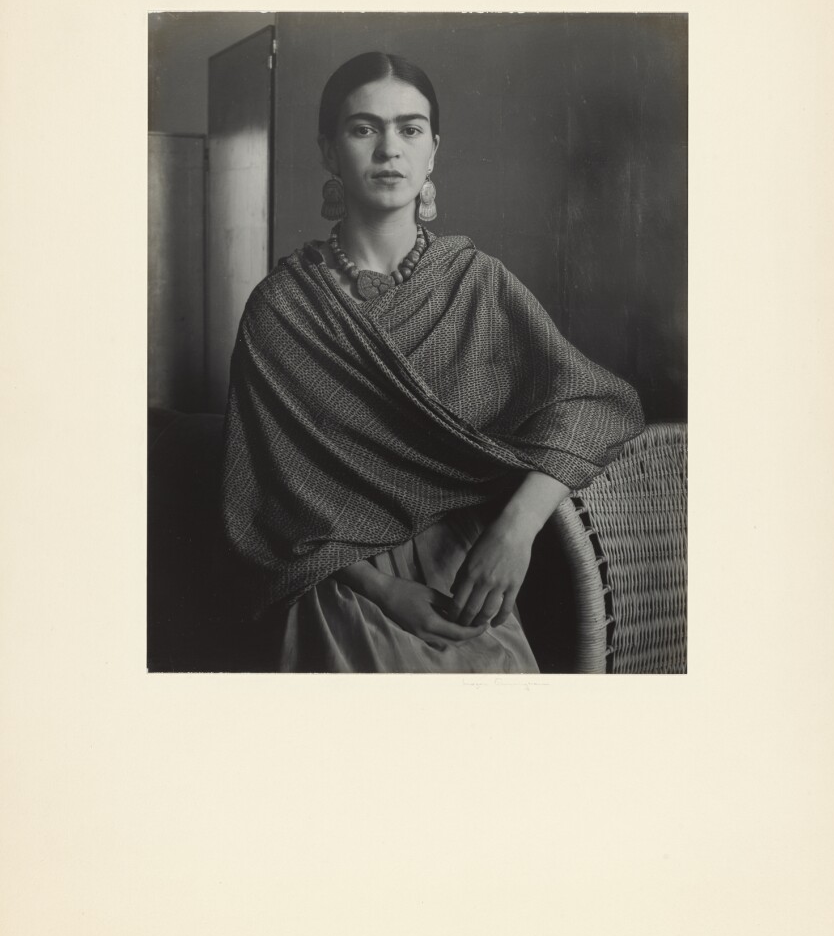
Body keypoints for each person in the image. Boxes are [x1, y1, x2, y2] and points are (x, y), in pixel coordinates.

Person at [221, 51, 644, 672]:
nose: (389, 148)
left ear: (432, 152)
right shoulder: (281, 308)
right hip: (342, 592)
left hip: (468, 587)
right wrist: (384, 591)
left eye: (410, 128)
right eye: (364, 128)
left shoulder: (477, 285)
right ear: (327, 151)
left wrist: (514, 532)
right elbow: (264, 510)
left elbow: (603, 405)